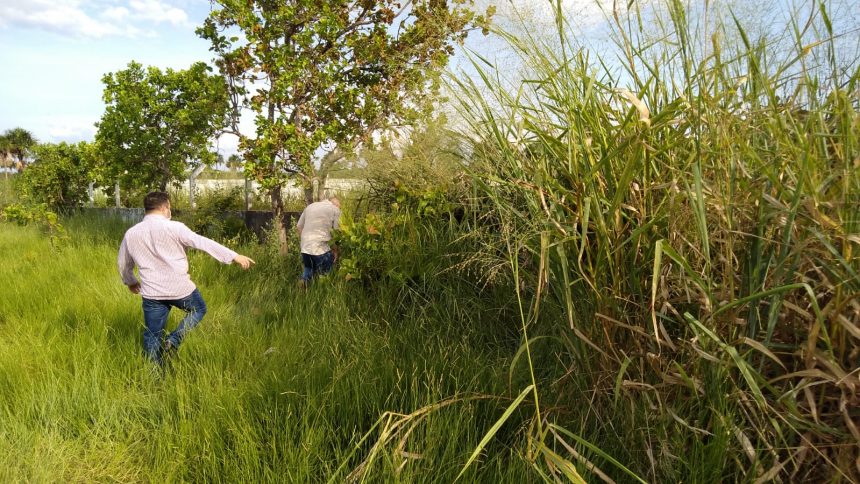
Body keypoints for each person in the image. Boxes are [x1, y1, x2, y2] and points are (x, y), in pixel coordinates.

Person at [118, 191, 255, 365]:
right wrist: (234, 256)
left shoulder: (132, 233)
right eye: (169, 207)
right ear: (165, 206)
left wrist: (130, 281)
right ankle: (174, 340)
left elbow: (123, 263)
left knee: (152, 335)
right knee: (199, 310)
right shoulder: (175, 227)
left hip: (152, 293)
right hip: (180, 289)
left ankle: (154, 379)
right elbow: (203, 242)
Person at [296, 195, 341, 283]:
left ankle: (302, 286)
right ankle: (322, 290)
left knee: (308, 269)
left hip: (305, 246)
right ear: (336, 205)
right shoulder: (335, 210)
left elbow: (298, 227)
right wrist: (335, 251)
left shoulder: (310, 206)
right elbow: (336, 233)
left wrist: (305, 241)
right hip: (320, 248)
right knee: (325, 273)